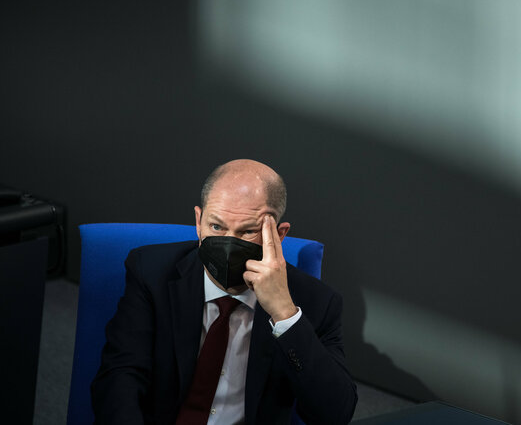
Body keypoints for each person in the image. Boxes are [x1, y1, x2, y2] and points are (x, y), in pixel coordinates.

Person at [91, 159, 357, 424]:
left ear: (279, 234)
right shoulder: (152, 273)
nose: (228, 245)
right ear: (198, 221)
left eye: (248, 231)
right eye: (216, 227)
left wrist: (284, 314)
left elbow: (335, 414)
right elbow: (119, 378)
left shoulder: (314, 303)